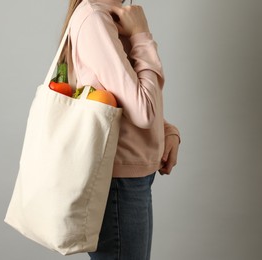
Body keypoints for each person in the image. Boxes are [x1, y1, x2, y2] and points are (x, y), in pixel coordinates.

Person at [59, 0, 180, 259]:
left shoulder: (106, 15)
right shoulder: (95, 18)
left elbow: (121, 99)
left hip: (129, 178)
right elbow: (143, 110)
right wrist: (141, 34)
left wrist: (167, 131)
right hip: (118, 183)